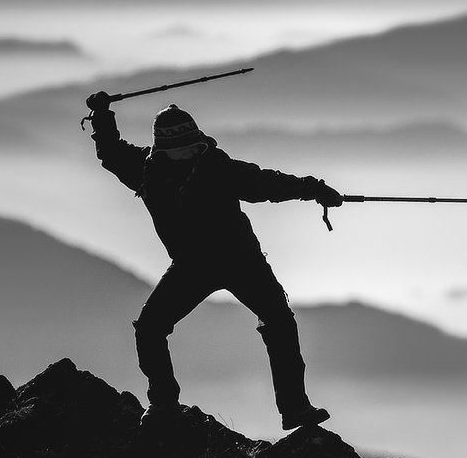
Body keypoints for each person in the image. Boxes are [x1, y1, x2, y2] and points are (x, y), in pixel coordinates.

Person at [85, 92, 343, 430]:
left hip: (234, 262)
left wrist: (314, 189)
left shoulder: (204, 167)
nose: (189, 154)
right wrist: (102, 116)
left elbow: (268, 183)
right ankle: (164, 404)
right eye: (181, 150)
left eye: (192, 148)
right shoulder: (152, 169)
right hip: (205, 264)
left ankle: (293, 408)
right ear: (164, 150)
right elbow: (111, 152)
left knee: (278, 322)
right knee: (151, 328)